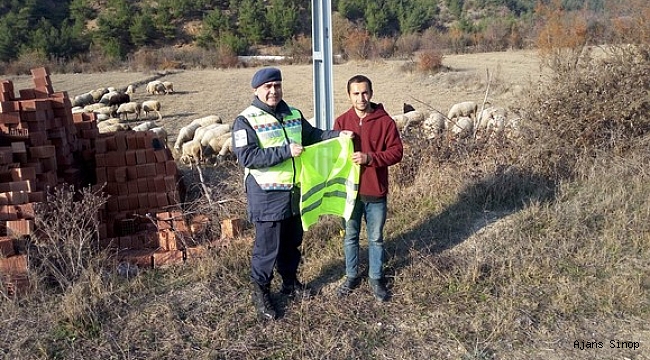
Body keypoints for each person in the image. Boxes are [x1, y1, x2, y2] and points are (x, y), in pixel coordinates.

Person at [232, 67, 353, 320]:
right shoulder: (245, 120)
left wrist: (337, 135)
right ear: (256, 90)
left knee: (291, 242)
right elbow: (247, 157)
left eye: (277, 85)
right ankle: (261, 293)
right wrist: (285, 151)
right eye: (268, 87)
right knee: (268, 248)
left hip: (295, 193)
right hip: (266, 196)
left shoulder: (294, 114)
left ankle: (289, 283)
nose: (273, 91)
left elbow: (313, 136)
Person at [333, 74, 403, 302]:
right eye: (356, 93)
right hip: (350, 194)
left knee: (376, 238)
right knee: (350, 237)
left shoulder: (385, 122)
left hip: (375, 192)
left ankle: (376, 278)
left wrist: (370, 158)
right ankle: (351, 276)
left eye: (364, 93)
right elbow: (333, 154)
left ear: (371, 93)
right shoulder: (342, 122)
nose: (361, 98)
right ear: (349, 95)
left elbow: (396, 152)